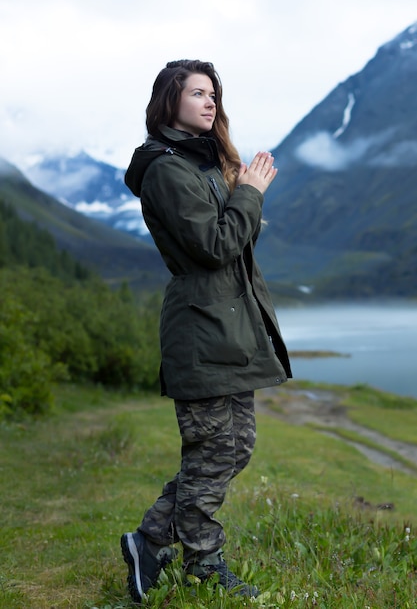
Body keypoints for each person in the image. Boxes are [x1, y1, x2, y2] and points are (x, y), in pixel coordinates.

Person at [121, 59, 292, 603]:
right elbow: (214, 247)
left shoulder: (200, 165)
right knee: (214, 449)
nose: (210, 101)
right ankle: (201, 560)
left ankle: (149, 539)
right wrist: (250, 192)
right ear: (169, 100)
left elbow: (230, 244)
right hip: (201, 329)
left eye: (213, 93)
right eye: (197, 92)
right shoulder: (166, 170)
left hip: (227, 326)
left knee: (234, 447)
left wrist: (241, 191)